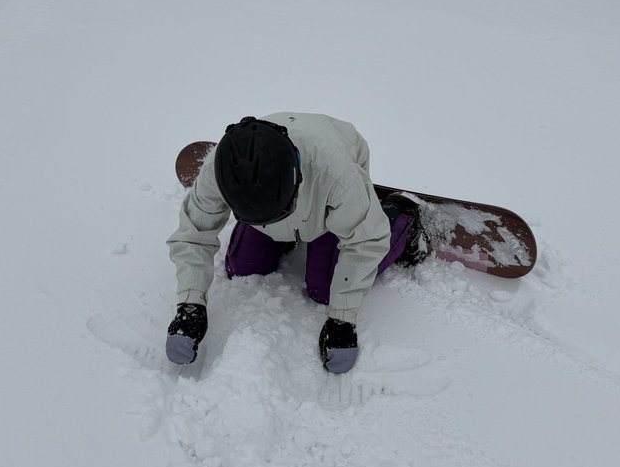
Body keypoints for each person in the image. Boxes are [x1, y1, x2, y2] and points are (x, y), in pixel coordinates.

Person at [166, 113, 429, 374]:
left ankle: (402, 214)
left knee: (325, 288)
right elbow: (194, 232)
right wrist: (190, 305)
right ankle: (280, 229)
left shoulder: (335, 173)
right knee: (242, 267)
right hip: (270, 196)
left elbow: (365, 241)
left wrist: (342, 318)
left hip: (324, 203)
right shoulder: (217, 170)